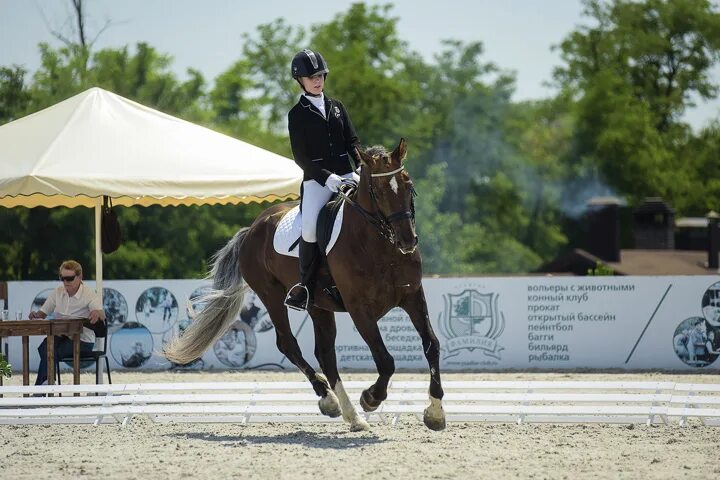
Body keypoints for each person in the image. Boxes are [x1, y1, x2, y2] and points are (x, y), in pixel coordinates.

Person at [284, 48, 361, 311]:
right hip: (317, 181)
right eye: (311, 77)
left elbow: (352, 141)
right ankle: (304, 287)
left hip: (348, 173)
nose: (317, 80)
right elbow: (301, 158)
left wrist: (361, 166)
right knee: (309, 229)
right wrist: (328, 179)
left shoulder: (337, 107)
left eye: (320, 75)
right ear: (300, 81)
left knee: (382, 201)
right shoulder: (297, 115)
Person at [28, 260, 105, 386]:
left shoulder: (89, 294)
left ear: (80, 277)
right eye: (62, 278)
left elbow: (101, 314)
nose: (65, 282)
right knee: (46, 348)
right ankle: (46, 384)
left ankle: (43, 387)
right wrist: (36, 315)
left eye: (69, 278)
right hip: (61, 337)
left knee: (48, 351)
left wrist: (96, 313)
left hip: (83, 340)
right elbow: (43, 312)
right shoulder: (58, 292)